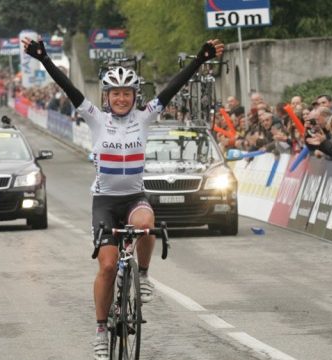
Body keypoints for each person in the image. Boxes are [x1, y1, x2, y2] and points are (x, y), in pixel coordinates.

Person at [23, 35, 224, 360]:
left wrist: (199, 60)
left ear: (134, 96)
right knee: (107, 267)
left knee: (146, 224)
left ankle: (142, 275)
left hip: (134, 198)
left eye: (126, 93)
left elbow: (172, 88)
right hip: (104, 202)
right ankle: (101, 330)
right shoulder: (95, 118)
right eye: (115, 93)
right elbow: (69, 89)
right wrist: (45, 59)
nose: (120, 98)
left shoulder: (144, 118)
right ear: (107, 96)